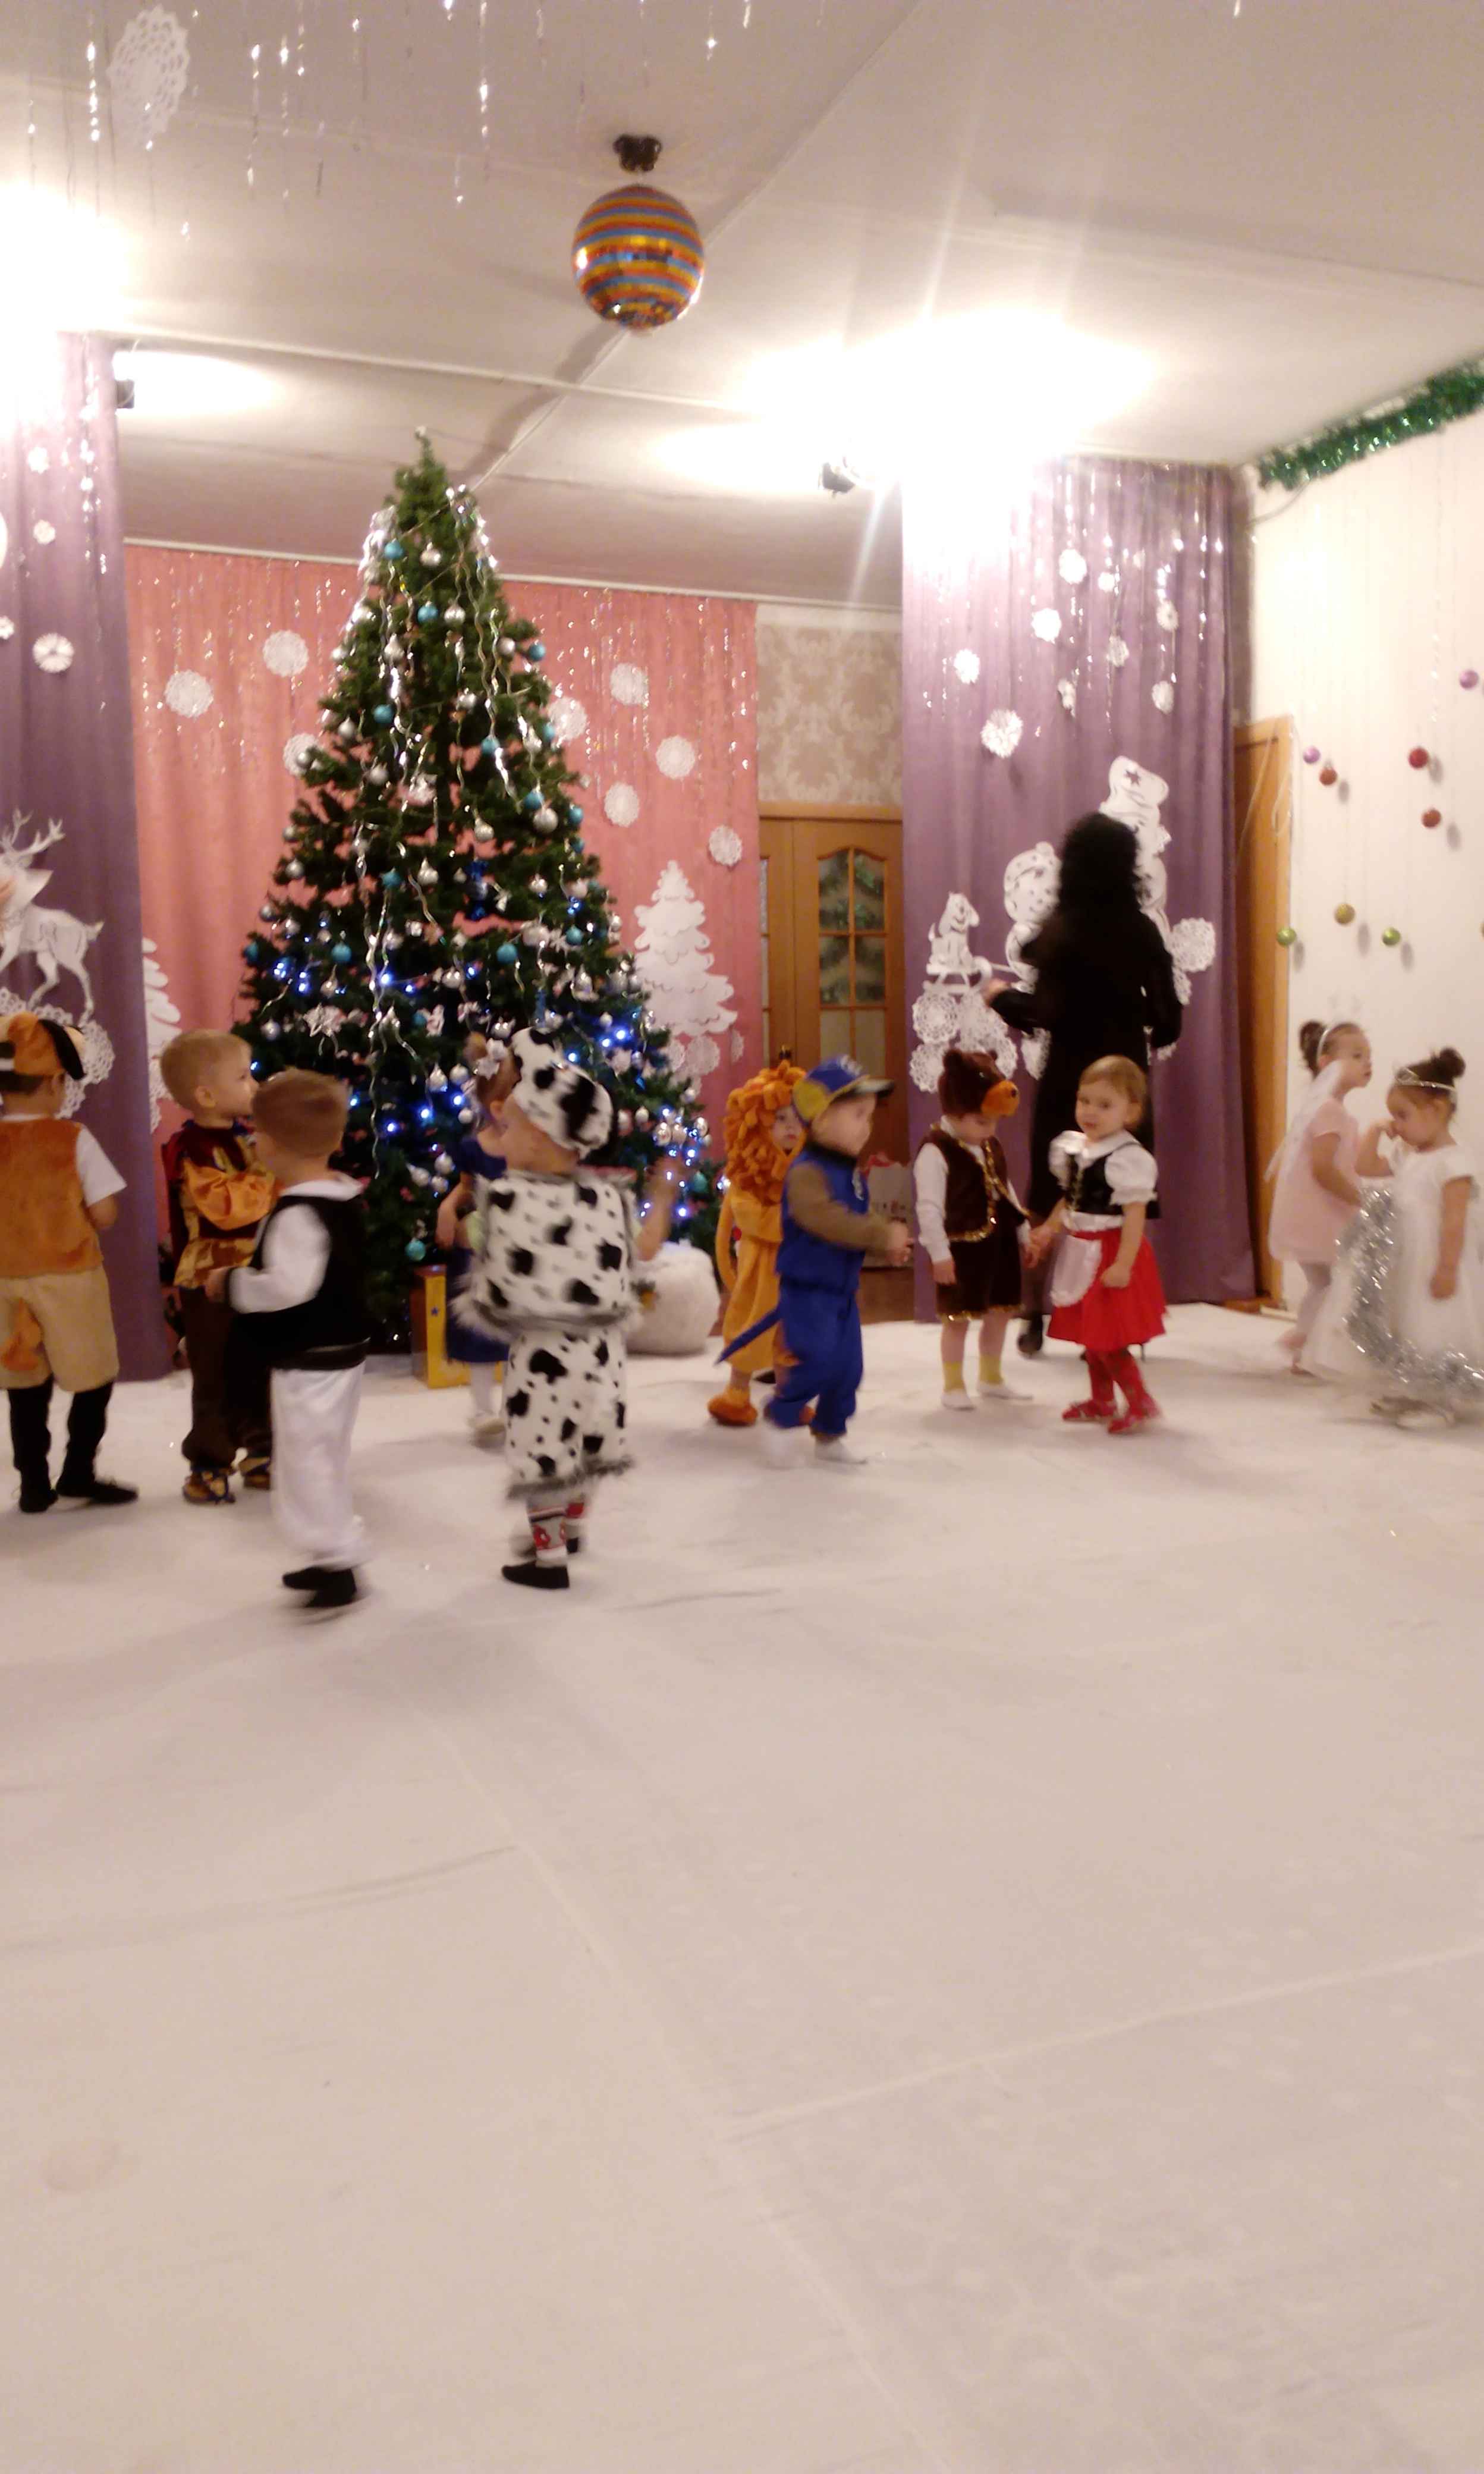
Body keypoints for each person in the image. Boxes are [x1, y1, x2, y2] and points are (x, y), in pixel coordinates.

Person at [456, 1026, 679, 1591]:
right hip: (604, 1355)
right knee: (589, 1439)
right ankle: (575, 1527)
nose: (501, 1137)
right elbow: (641, 1253)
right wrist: (663, 1201)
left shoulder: (507, 1199)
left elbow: (492, 1263)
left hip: (543, 1355)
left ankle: (548, 1555)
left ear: (540, 1135)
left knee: (543, 1446)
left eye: (510, 1127)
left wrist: (468, 1229)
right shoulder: (607, 1199)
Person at [985, 812, 1182, 1355]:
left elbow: (1045, 1012)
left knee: (1051, 1193)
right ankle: (1123, 1322)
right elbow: (1168, 1021)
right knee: (1126, 1194)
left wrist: (1000, 997)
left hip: (1069, 1081)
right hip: (1124, 1082)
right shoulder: (1141, 931)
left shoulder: (1061, 930)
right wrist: (1129, 1011)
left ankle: (1033, 1315)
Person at [205, 1070, 369, 1613]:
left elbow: (288, 1287)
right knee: (323, 1451)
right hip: (341, 1351)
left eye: (256, 1133)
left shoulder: (300, 1213)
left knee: (306, 1457)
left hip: (311, 1356)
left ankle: (337, 1558)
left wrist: (233, 1284)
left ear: (269, 1144)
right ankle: (330, 1553)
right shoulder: (342, 1198)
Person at [727, 1055, 910, 1468]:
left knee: (848, 1369)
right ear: (822, 1120)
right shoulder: (806, 1172)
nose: (867, 1127)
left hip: (841, 1290)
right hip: (807, 1289)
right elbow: (826, 1220)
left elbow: (860, 1216)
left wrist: (886, 1241)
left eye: (869, 1117)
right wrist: (881, 1234)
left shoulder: (850, 1171)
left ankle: (830, 1433)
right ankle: (781, 1415)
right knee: (817, 1360)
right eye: (858, 1116)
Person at [0, 1010, 137, 1513]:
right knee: (94, 1375)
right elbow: (104, 1214)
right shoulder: (73, 1139)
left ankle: (34, 1483)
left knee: (24, 1383)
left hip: (5, 1281)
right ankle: (79, 1470)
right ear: (55, 1083)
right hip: (69, 1278)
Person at [1301, 1047, 1484, 1417]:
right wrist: (1374, 1132)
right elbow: (1365, 1167)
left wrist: (1447, 1268)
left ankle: (1436, 1400)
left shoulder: (1454, 1163)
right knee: (1400, 1319)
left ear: (1437, 1110)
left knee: (1430, 1324)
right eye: (1393, 1116)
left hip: (1433, 1259)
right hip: (1402, 1256)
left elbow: (1454, 1221)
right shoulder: (1407, 1153)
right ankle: (1406, 1388)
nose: (1396, 1125)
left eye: (1403, 1115)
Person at [159, 1029, 276, 1502]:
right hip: (210, 1277)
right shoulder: (192, 1149)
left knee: (258, 1363)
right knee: (215, 1371)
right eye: (244, 1077)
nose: (255, 1086)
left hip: (253, 1272)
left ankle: (261, 1448)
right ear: (207, 1096)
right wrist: (272, 1172)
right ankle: (209, 1460)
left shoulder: (244, 1138)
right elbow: (227, 1207)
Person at [1032, 1054, 1166, 1433]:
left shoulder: (1128, 1158)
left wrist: (1124, 1264)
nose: (1090, 1112)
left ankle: (1140, 1401)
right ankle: (1102, 1399)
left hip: (1111, 1253)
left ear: (1131, 1112)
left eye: (1105, 1105)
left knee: (1108, 1338)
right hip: (1080, 1249)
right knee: (1090, 1336)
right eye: (1085, 1101)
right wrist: (1050, 1228)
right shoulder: (1075, 1149)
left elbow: (1135, 1216)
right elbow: (1070, 1201)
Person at [913, 1047, 1029, 1411]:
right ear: (954, 1112)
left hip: (1000, 1242)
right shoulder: (936, 1151)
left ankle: (991, 1377)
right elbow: (929, 1208)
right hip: (962, 1248)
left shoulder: (990, 1144)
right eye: (981, 1122)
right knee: (958, 1319)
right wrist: (939, 1254)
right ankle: (953, 1385)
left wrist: (1023, 1232)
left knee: (1001, 1311)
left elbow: (1005, 1188)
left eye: (994, 1122)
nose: (990, 1130)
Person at [1267, 1019, 1370, 1370]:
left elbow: (1344, 1162)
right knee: (1331, 1282)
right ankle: (1304, 1341)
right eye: (1356, 1055)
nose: (1367, 1063)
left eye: (1368, 1056)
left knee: (1323, 1282)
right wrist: (1359, 1198)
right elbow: (1323, 1169)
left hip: (1318, 1209)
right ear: (1327, 1063)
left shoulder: (1328, 1108)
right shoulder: (1329, 1110)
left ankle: (1304, 1343)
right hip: (1321, 1212)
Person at [708, 1058, 804, 1427]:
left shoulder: (809, 1171)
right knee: (753, 1325)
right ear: (758, 1124)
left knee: (793, 1335)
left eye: (798, 1118)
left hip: (799, 1270)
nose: (791, 1127)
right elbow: (751, 1219)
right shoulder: (748, 1175)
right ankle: (737, 1393)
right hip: (760, 1268)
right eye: (780, 1118)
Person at [435, 1041, 510, 1445]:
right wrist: (448, 1208)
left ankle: (515, 1407)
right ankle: (482, 1410)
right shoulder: (473, 1147)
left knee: (518, 1331)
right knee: (480, 1328)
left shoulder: (530, 1148)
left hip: (518, 1249)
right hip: (482, 1247)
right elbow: (465, 1189)